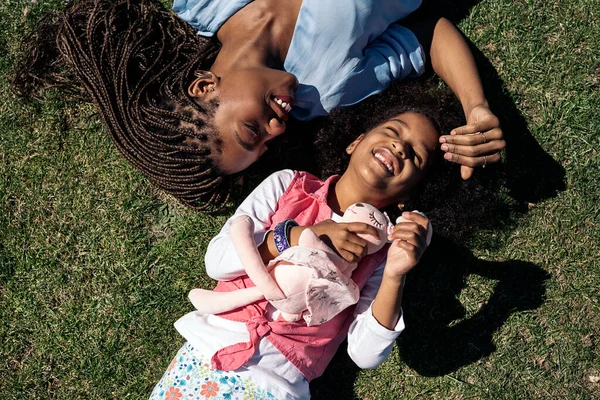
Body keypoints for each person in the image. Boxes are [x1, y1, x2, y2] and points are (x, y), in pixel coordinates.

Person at [13, 0, 505, 211]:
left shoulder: (196, 3)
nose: (278, 125)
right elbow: (429, 36)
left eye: (253, 128)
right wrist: (477, 108)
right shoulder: (324, 90)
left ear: (204, 88)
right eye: (268, 142)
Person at [149, 92, 461, 399]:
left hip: (276, 388)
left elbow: (365, 354)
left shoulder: (380, 255)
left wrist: (396, 274)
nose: (400, 147)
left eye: (416, 156)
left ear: (409, 195)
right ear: (355, 142)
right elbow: (216, 261)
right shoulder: (287, 185)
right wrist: (296, 236)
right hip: (205, 355)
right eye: (393, 132)